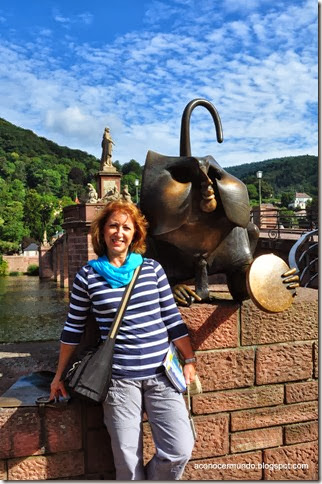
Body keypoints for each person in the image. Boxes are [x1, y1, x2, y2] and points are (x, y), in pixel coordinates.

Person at [50, 200, 196, 480]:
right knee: (128, 466)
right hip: (118, 381)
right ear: (102, 232)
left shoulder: (152, 270)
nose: (119, 232)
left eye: (126, 227)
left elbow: (173, 321)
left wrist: (188, 360)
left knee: (180, 449)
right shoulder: (87, 276)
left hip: (161, 375)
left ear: (135, 235)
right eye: (113, 226)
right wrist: (58, 376)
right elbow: (72, 329)